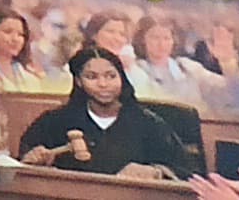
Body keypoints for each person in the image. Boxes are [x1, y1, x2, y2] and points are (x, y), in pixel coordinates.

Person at [18, 45, 201, 179]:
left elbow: (189, 173)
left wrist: (156, 172)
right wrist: (33, 162)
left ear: (122, 78)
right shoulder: (54, 122)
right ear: (79, 82)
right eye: (92, 77)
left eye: (111, 76)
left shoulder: (149, 124)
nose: (103, 84)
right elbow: (22, 164)